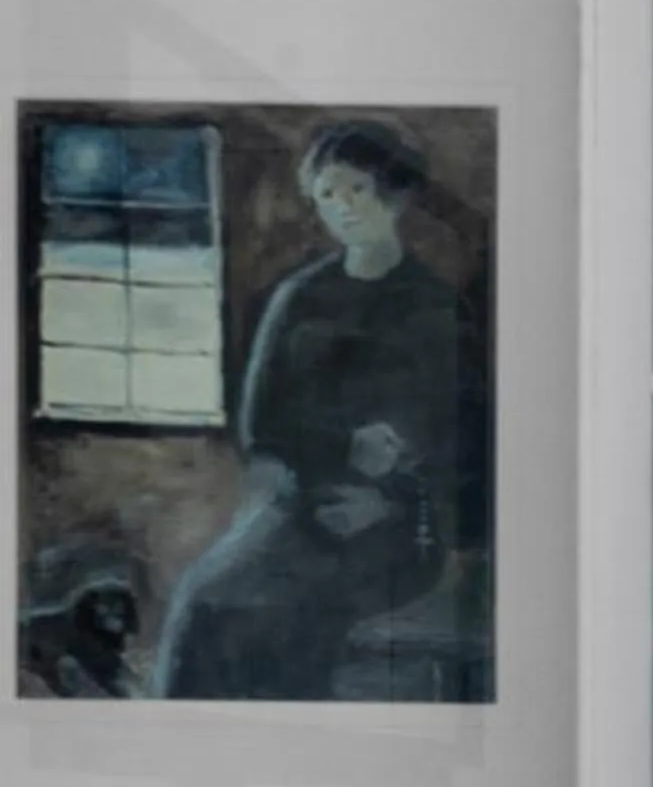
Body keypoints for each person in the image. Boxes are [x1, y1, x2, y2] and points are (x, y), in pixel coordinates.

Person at [154, 118, 488, 700]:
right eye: (328, 194)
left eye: (357, 188)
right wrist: (342, 454)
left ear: (396, 192)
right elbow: (261, 425)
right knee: (206, 599)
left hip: (401, 524)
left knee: (298, 607)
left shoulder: (436, 308)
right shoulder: (299, 298)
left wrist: (396, 494)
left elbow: (468, 439)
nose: (343, 207)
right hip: (299, 506)